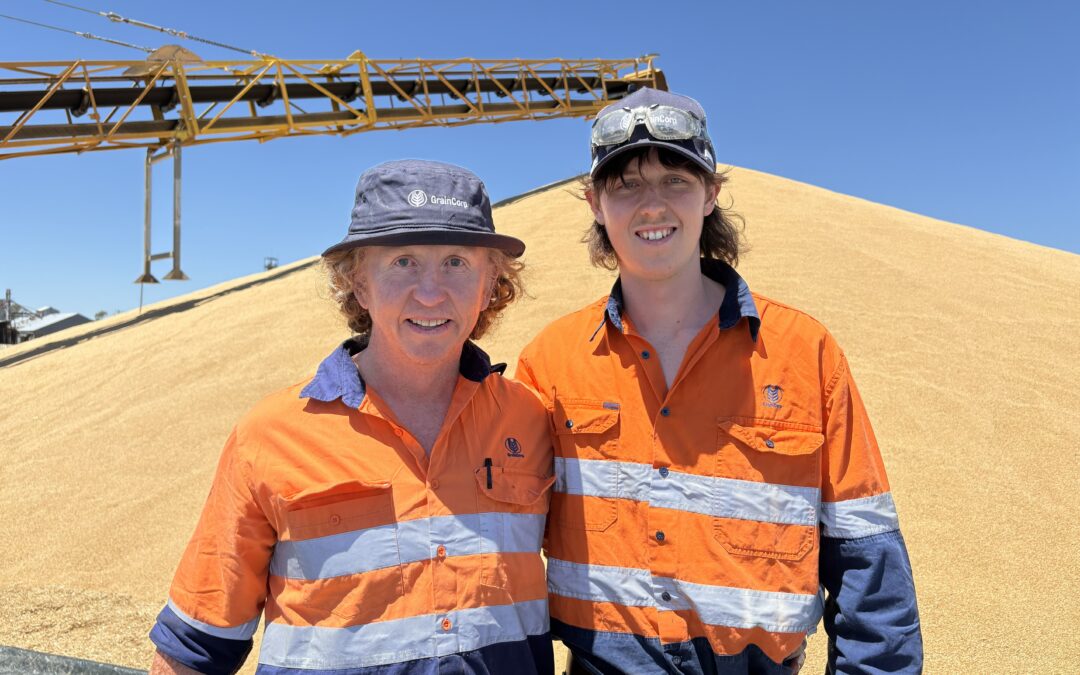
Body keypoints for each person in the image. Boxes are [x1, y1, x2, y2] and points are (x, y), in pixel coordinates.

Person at [515, 88, 923, 674]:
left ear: (711, 194)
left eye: (676, 180)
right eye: (625, 185)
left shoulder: (805, 353)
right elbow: (502, 551)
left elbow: (867, 557)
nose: (651, 206)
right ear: (594, 204)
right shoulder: (548, 363)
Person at [148, 159, 556, 674]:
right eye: (402, 262)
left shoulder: (530, 421)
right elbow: (197, 646)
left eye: (456, 262)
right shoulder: (270, 435)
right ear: (358, 284)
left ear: (489, 284)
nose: (430, 293)